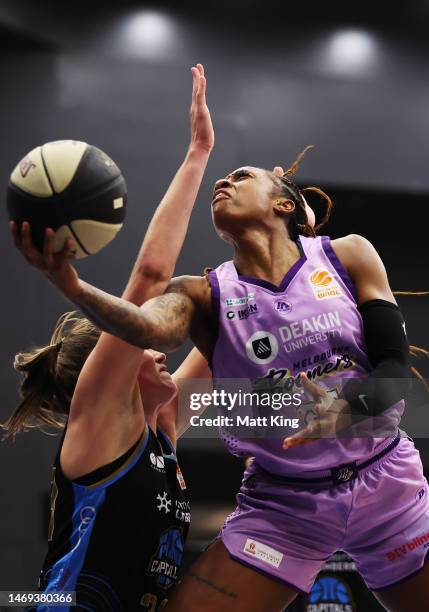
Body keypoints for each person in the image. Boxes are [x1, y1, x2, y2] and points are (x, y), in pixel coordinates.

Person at [8, 76, 428, 612]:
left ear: (283, 206)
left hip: (386, 479)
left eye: (241, 175)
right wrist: (71, 285)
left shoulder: (344, 256)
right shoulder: (205, 302)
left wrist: (349, 409)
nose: (223, 183)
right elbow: (147, 314)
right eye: (220, 178)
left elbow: (394, 371)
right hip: (286, 505)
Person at [3, 64, 213, 611]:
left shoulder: (160, 428)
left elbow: (226, 329)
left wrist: (284, 248)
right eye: (145, 345)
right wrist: (196, 156)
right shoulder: (99, 424)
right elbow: (147, 283)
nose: (159, 346)